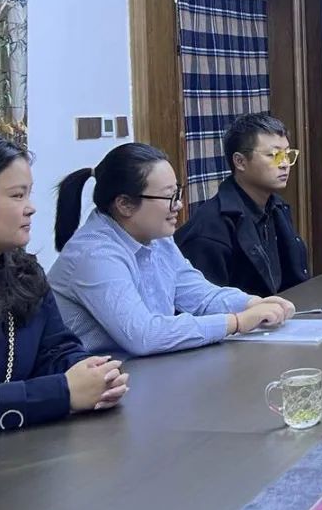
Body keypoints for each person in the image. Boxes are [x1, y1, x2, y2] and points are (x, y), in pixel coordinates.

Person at [0, 132, 128, 450]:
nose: (31, 208)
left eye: (28, 194)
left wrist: (93, 374)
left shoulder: (24, 271)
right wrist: (63, 392)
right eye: (17, 196)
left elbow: (56, 349)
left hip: (16, 449)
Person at [47, 143, 295, 358]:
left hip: (145, 371)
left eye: (178, 192)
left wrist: (253, 304)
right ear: (124, 204)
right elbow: (144, 336)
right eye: (169, 197)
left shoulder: (157, 238)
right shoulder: (95, 254)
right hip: (99, 384)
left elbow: (200, 296)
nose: (178, 205)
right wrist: (237, 322)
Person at [176, 114, 309, 296]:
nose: (285, 163)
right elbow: (204, 303)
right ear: (240, 161)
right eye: (274, 155)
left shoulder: (277, 207)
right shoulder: (210, 227)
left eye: (287, 154)